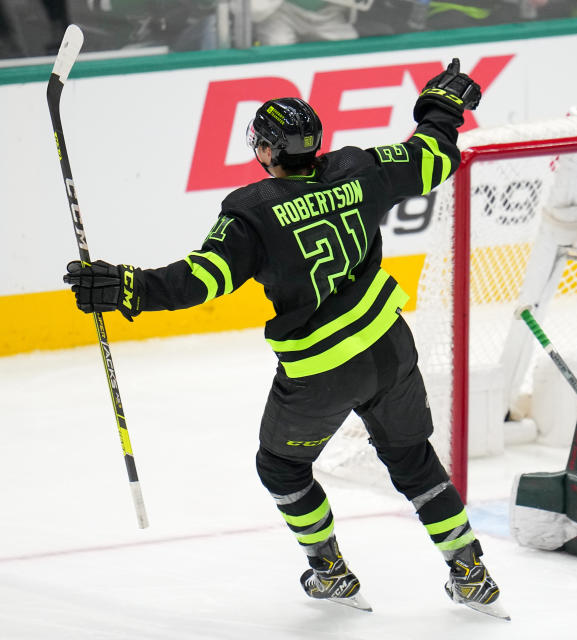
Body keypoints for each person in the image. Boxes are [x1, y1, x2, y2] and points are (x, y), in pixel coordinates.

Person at [63, 60, 508, 619]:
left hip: (321, 370)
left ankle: (330, 571)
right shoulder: (360, 167)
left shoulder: (251, 211)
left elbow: (200, 280)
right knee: (413, 459)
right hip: (390, 347)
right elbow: (434, 156)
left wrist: (128, 288)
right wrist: (441, 106)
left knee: (281, 467)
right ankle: (471, 571)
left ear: (269, 150)